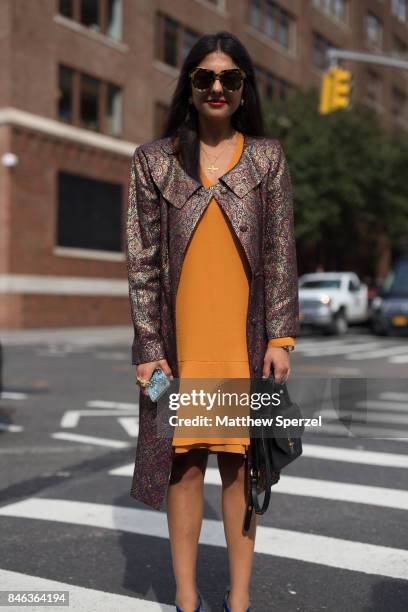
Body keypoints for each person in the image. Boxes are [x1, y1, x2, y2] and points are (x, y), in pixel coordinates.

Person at [126, 31, 298, 612]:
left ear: (244, 88)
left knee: (241, 468)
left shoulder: (267, 158)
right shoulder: (153, 162)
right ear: (190, 87)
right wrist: (149, 346)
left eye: (229, 78)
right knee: (184, 466)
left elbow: (278, 252)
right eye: (205, 78)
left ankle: (240, 599)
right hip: (181, 343)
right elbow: (143, 262)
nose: (217, 87)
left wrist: (281, 336)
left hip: (242, 342)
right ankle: (186, 597)